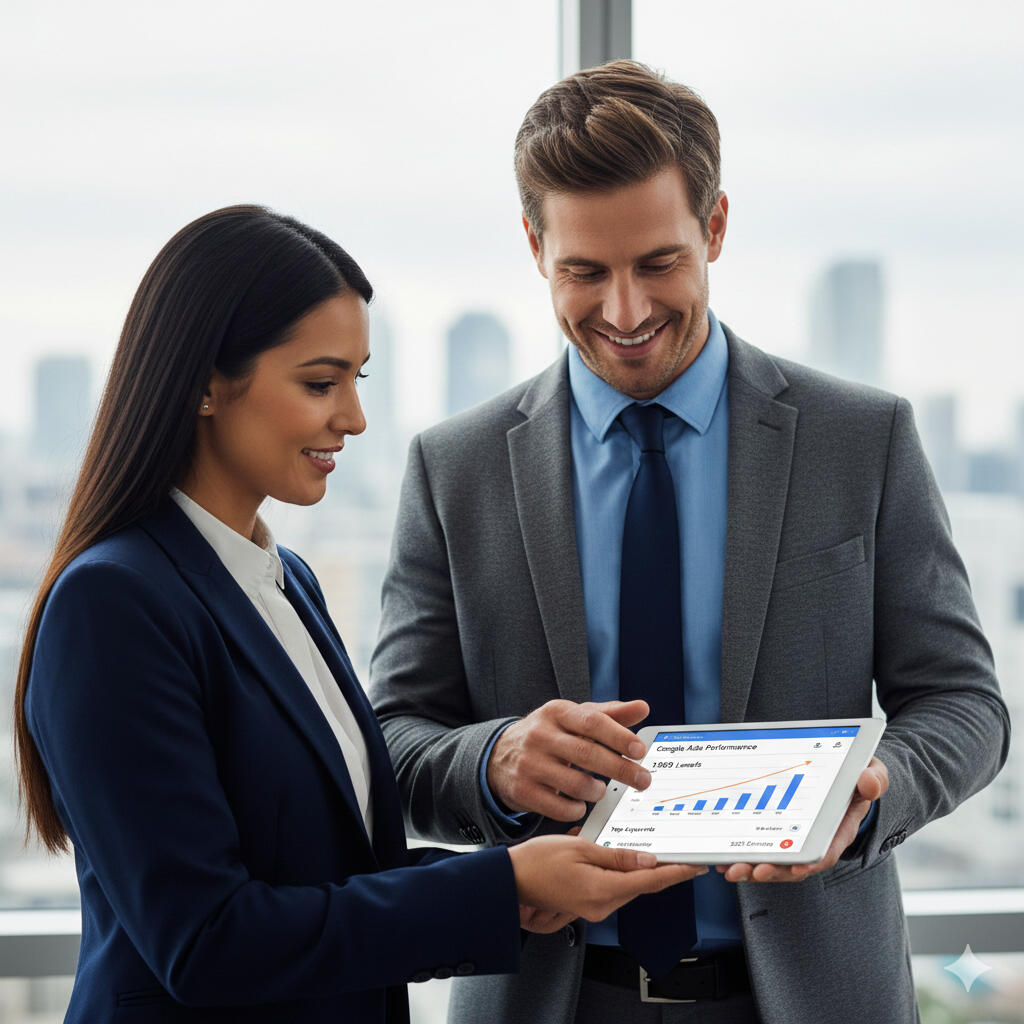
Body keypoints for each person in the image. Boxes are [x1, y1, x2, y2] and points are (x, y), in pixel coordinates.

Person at [370, 61, 1010, 1024]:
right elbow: (393, 742)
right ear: (535, 247)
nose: (624, 312)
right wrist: (496, 759)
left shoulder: (860, 440)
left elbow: (966, 705)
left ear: (714, 228)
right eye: (584, 272)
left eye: (659, 263)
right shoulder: (453, 469)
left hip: (807, 997)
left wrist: (875, 795)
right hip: (549, 997)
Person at [13, 205, 704, 1024]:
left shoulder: (287, 583)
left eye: (358, 380)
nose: (354, 418)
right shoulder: (114, 602)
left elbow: (324, 873)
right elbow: (205, 940)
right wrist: (501, 884)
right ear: (204, 383)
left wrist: (510, 885)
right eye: (319, 383)